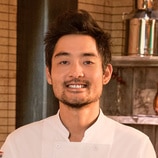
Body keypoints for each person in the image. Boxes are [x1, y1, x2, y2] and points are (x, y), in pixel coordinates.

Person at [0, 9, 156, 158]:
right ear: (49, 74)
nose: (76, 73)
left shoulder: (136, 148)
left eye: (87, 61)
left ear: (106, 74)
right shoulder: (19, 144)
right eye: (64, 62)